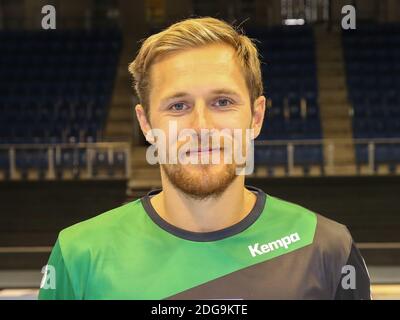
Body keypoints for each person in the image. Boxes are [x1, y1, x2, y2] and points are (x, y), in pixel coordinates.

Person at [39, 17, 371, 300]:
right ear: (146, 124)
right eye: (177, 106)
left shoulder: (326, 248)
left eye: (223, 102)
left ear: (256, 117)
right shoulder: (78, 254)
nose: (201, 127)